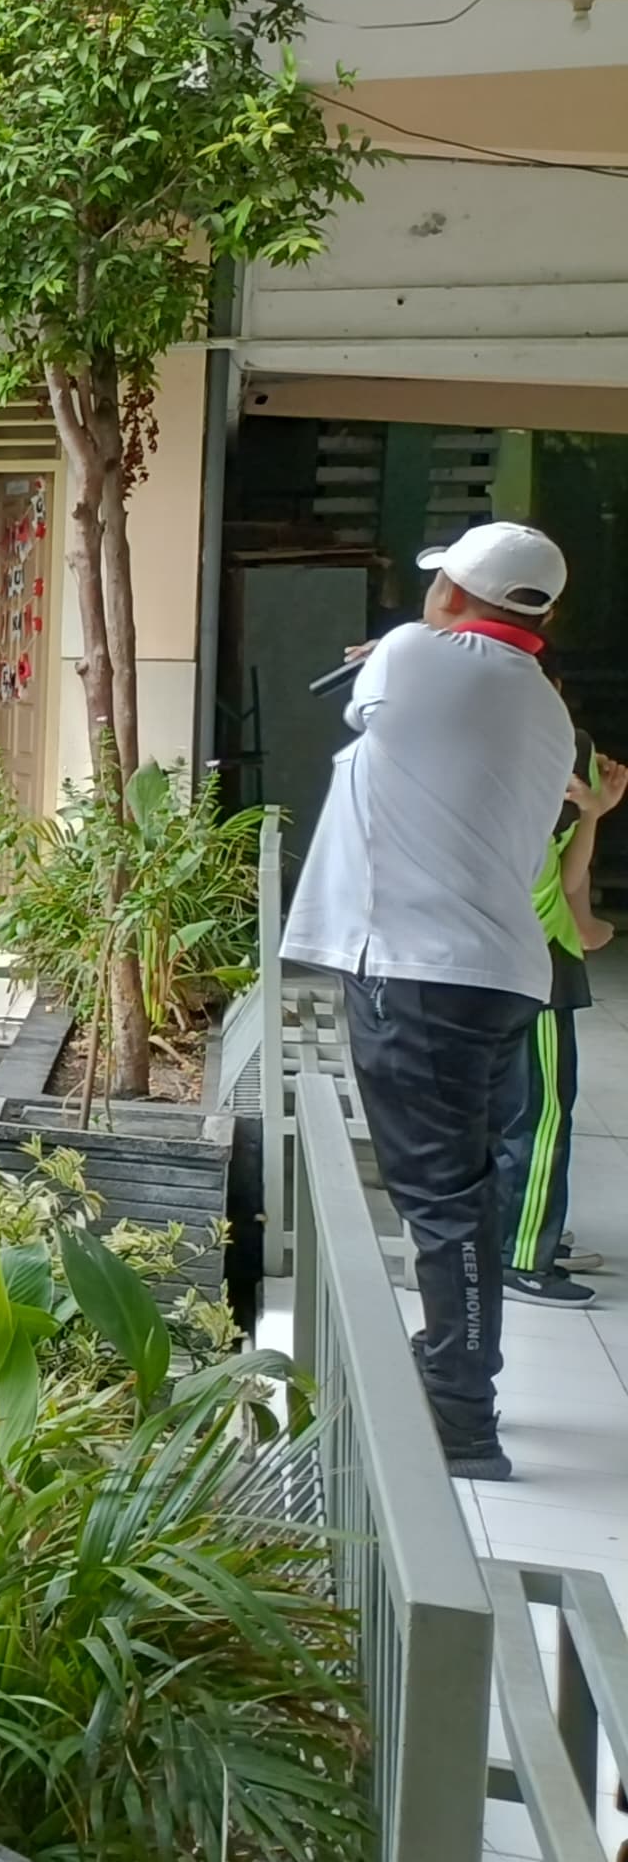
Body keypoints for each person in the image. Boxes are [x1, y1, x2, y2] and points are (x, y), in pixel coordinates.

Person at [284, 522, 586, 1477]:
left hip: (422, 973)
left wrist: (399, 650)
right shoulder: (542, 703)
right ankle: (453, 1366)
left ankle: (462, 1416)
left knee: (441, 1201)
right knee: (471, 1188)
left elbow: (366, 704)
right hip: (496, 974)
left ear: (453, 594)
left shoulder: (413, 656)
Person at [506, 740, 625, 1306]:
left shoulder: (522, 798)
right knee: (542, 1119)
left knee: (526, 1115)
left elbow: (568, 876)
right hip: (538, 978)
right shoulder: (521, 800)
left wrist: (591, 815)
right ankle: (524, 1256)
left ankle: (534, 1236)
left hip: (529, 973)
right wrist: (590, 930)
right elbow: (576, 922)